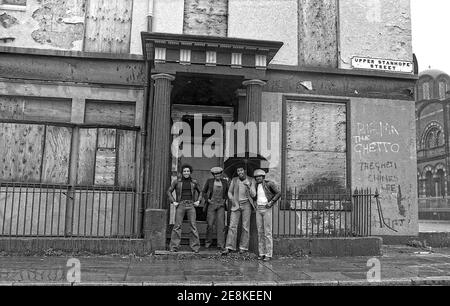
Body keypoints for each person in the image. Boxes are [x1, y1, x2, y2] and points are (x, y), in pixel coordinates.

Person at [222, 165, 256, 255]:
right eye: (238, 171)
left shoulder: (252, 180)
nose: (240, 172)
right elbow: (229, 192)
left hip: (247, 205)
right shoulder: (234, 180)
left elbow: (253, 195)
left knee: (245, 226)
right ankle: (229, 247)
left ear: (245, 170)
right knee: (232, 226)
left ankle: (243, 247)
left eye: (241, 170)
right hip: (235, 204)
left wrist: (249, 186)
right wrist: (232, 199)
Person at [167, 164, 202, 253]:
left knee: (193, 226)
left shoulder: (194, 182)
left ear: (190, 172)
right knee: (177, 226)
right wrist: (173, 201)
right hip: (181, 205)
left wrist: (198, 201)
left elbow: (201, 192)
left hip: (191, 205)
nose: (186, 173)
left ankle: (195, 247)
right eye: (184, 171)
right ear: (182, 173)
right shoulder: (176, 181)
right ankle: (174, 247)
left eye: (188, 171)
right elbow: (169, 191)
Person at [253, 169, 281, 261]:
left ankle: (268, 254)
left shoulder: (269, 184)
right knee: (260, 232)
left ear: (263, 177)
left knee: (267, 232)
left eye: (259, 176)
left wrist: (271, 202)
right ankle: (261, 253)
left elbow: (278, 193)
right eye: (256, 177)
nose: (258, 178)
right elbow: (254, 196)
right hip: (258, 209)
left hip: (267, 209)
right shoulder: (255, 185)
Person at [202, 167, 229, 251]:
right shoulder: (209, 181)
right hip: (212, 204)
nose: (217, 175)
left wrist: (225, 199)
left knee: (221, 225)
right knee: (210, 224)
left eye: (219, 173)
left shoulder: (225, 182)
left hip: (221, 205)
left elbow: (228, 192)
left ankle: (220, 244)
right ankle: (208, 242)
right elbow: (204, 192)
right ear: (213, 175)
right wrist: (208, 200)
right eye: (215, 174)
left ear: (221, 174)